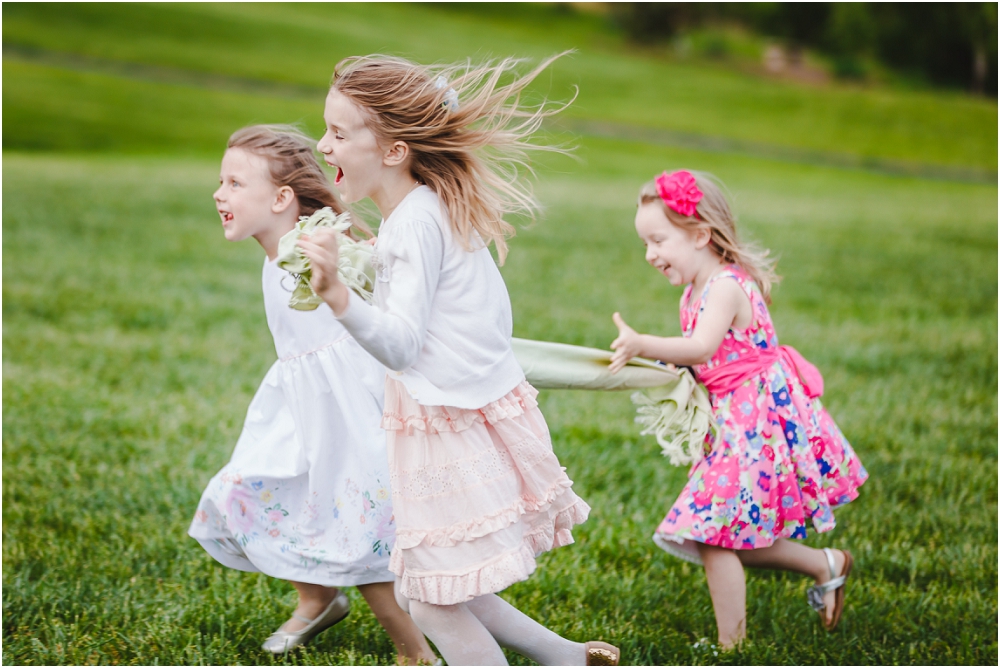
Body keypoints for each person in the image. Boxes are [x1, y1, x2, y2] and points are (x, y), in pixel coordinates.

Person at [297, 54, 620, 666]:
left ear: (393, 151)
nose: (324, 143)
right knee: (444, 586)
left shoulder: (417, 222)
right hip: (445, 417)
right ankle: (567, 658)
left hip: (446, 426)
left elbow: (400, 344)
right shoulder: (419, 211)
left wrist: (337, 294)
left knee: (433, 598)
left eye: (339, 133)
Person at [188, 125, 436, 663]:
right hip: (297, 409)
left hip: (345, 417)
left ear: (281, 199)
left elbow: (374, 283)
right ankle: (317, 600)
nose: (218, 193)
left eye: (234, 183)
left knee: (357, 535)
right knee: (243, 492)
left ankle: (413, 652)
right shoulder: (277, 249)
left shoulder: (316, 248)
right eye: (220, 181)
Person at [609, 169, 868, 649]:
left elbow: (704, 347)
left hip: (756, 425)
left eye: (658, 240)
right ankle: (823, 564)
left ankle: (733, 647)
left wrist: (644, 343)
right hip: (732, 423)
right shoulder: (695, 290)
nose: (650, 254)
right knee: (728, 529)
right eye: (645, 242)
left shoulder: (726, 285)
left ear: (701, 234)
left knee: (713, 533)